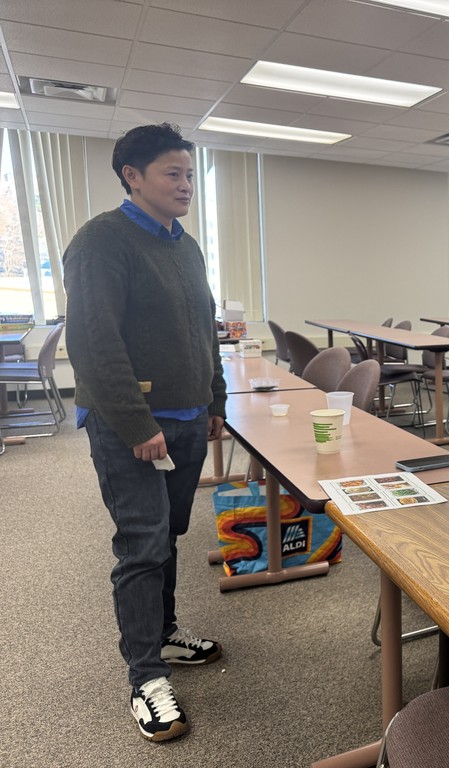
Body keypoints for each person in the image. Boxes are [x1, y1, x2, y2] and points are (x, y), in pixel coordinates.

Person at [63, 123, 227, 742]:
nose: (186, 185)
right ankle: (145, 677)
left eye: (190, 174)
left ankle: (164, 633)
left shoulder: (185, 244)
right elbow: (93, 341)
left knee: (170, 534)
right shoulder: (102, 241)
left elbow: (203, 328)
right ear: (132, 177)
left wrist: (215, 398)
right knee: (141, 544)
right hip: (130, 426)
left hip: (187, 420)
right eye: (172, 174)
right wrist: (136, 423)